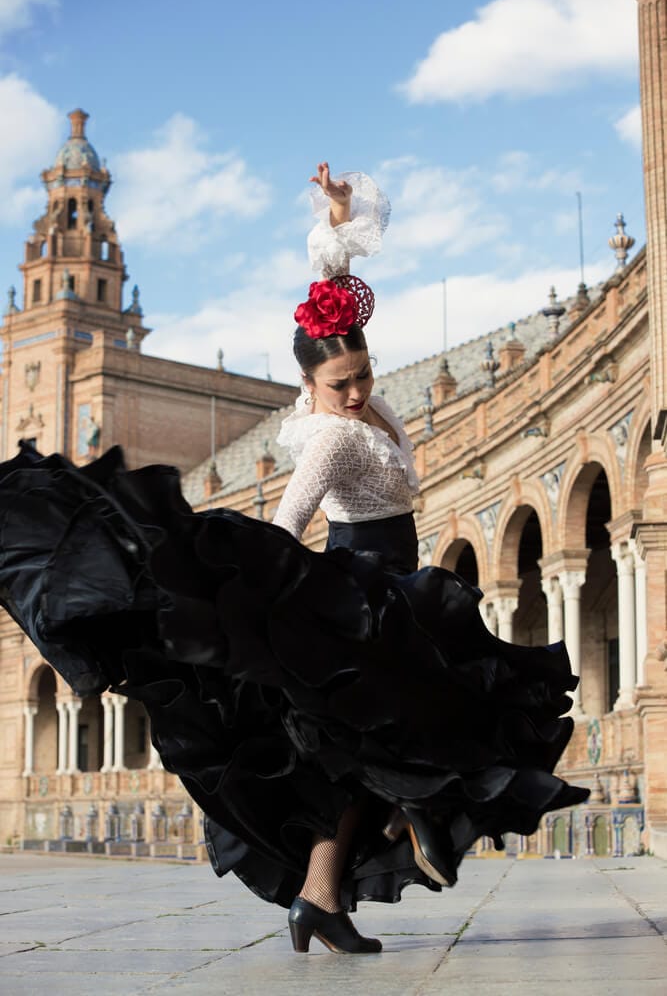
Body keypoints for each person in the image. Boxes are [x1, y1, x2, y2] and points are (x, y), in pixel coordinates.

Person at [0, 164, 589, 957]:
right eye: (339, 383)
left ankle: (320, 897)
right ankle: (409, 814)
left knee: (355, 756)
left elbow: (331, 299)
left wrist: (336, 220)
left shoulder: (363, 396)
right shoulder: (329, 438)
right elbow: (283, 526)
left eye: (362, 375)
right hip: (364, 595)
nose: (356, 392)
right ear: (308, 384)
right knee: (433, 717)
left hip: (399, 589)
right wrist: (255, 613)